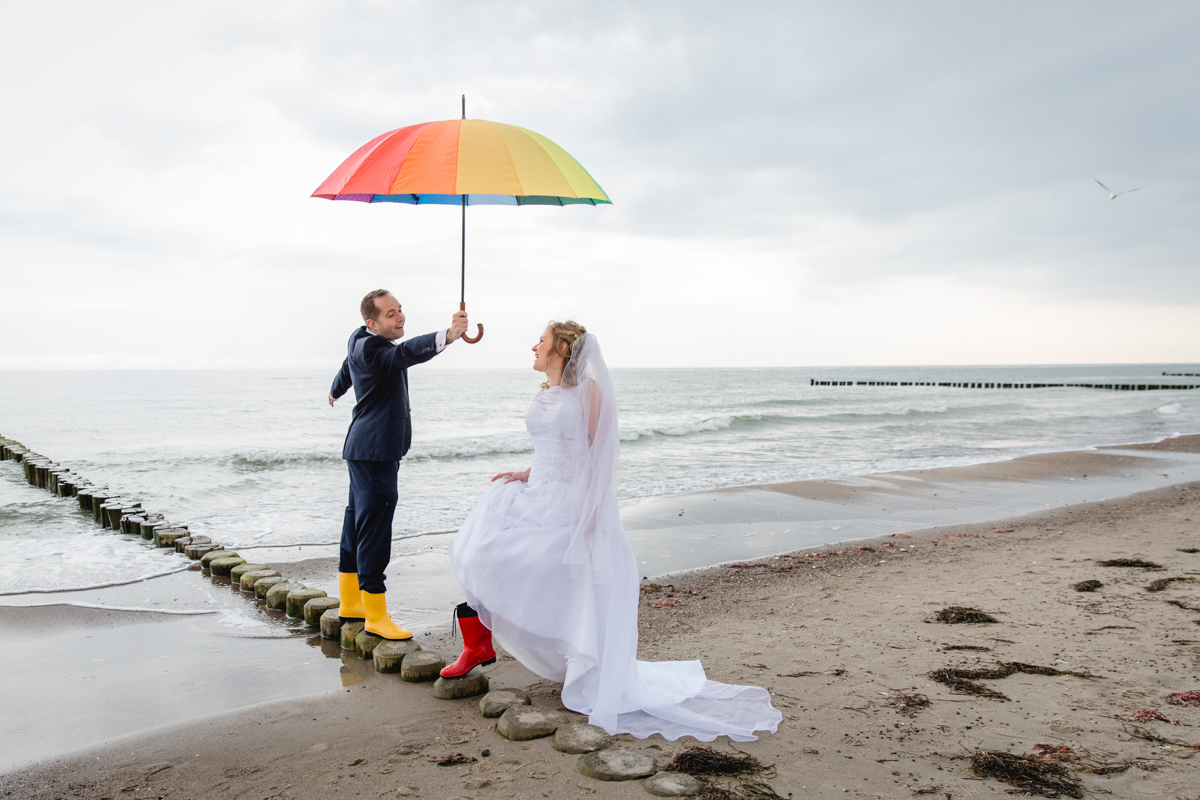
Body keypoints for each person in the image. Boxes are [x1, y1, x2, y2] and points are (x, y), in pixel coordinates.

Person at [444, 321, 782, 742]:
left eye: (542, 340)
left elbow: (599, 455)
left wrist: (592, 514)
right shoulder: (546, 393)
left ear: (562, 349)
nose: (534, 345)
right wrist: (525, 472)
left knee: (553, 572)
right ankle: (480, 642)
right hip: (539, 491)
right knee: (482, 548)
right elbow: (554, 448)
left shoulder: (589, 392)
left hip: (573, 500)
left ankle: (570, 659)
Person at [329, 289, 468, 640]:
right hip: (375, 451)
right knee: (374, 528)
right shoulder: (377, 349)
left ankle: (351, 602)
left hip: (361, 448)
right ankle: (375, 614)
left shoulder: (358, 340)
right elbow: (406, 353)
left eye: (400, 310)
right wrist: (448, 336)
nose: (401, 318)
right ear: (372, 322)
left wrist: (336, 389)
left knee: (356, 521)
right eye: (391, 314)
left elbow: (348, 366)